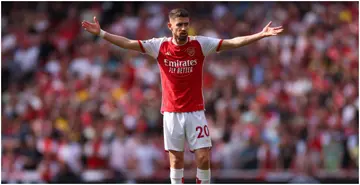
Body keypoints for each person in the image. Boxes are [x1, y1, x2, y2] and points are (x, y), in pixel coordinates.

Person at [82, 8, 283, 184]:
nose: (184, 28)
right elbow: (127, 43)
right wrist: (100, 32)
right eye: (179, 25)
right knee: (176, 160)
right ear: (170, 26)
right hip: (171, 112)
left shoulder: (200, 44)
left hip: (195, 111)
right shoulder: (159, 46)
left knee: (203, 157)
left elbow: (233, 43)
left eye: (186, 24)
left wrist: (260, 35)